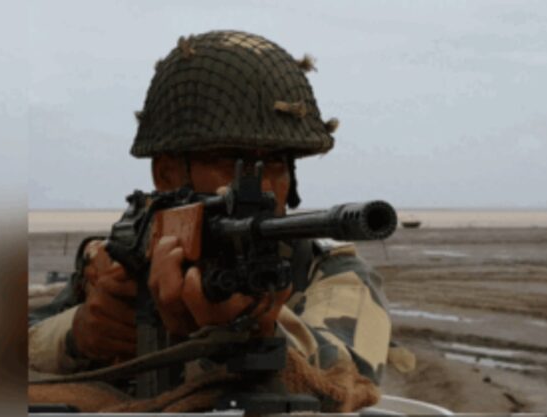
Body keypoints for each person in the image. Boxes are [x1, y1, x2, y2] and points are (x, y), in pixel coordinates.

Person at [28, 30, 392, 413]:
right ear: (166, 174)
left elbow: (343, 379)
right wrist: (77, 335)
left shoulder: (330, 272)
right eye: (228, 160)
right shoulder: (121, 262)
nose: (261, 186)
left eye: (274, 162)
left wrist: (252, 333)